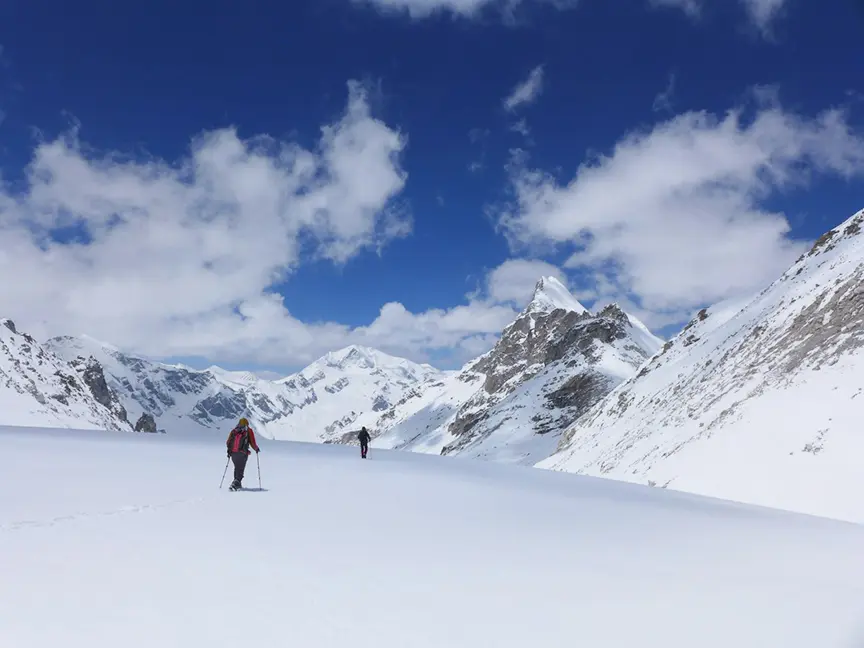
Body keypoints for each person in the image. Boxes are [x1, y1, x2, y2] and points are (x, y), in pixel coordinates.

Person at [226, 417, 260, 490]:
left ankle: (237, 482)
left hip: (233, 453)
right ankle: (236, 483)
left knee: (237, 467)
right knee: (240, 468)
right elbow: (252, 442)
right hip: (242, 453)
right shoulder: (248, 431)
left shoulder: (234, 431)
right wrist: (256, 448)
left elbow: (228, 442)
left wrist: (229, 450)